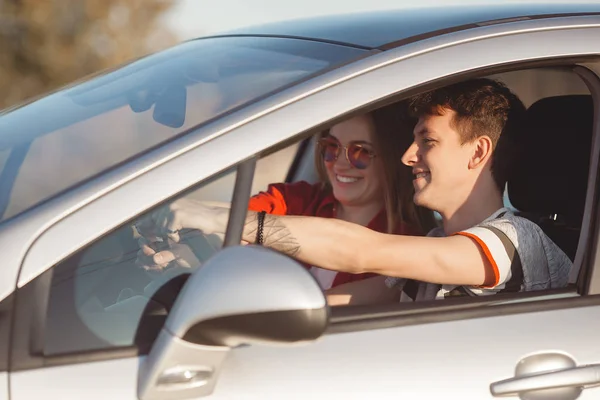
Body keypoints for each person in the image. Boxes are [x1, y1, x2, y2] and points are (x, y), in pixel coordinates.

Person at [143, 78, 573, 305]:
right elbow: (326, 303)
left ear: (478, 152)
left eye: (428, 141)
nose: (407, 156)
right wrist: (199, 274)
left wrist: (222, 219)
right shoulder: (434, 246)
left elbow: (362, 252)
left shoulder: (511, 244)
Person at [137, 102, 436, 296]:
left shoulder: (401, 242)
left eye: (359, 152)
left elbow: (311, 311)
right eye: (331, 147)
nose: (340, 163)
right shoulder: (299, 200)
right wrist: (183, 241)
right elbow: (235, 219)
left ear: (393, 158)